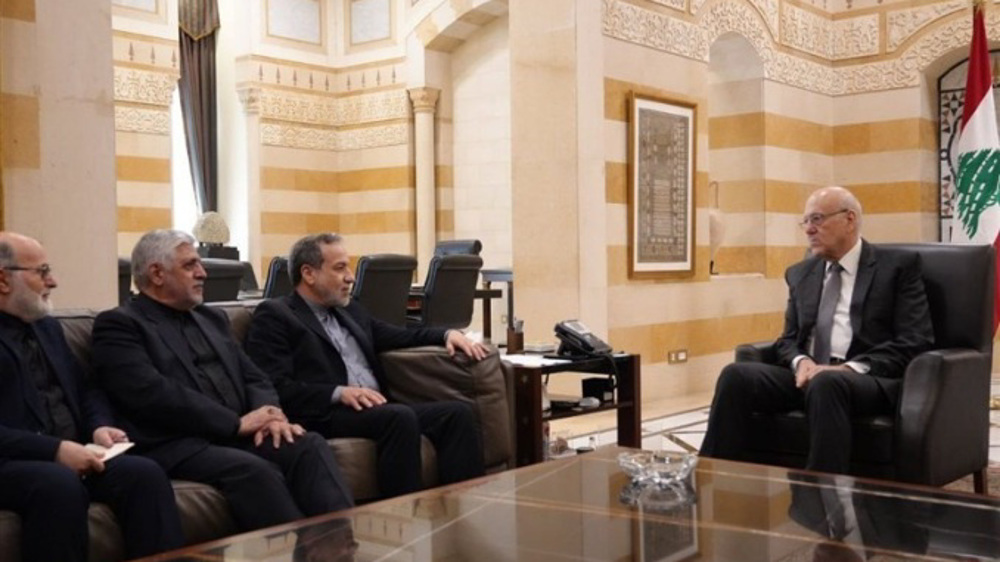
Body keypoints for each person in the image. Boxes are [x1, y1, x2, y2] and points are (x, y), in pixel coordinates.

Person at [91, 229, 353, 533]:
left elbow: (254, 375)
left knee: (308, 445)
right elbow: (152, 394)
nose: (202, 273)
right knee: (254, 470)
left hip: (236, 435)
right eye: (190, 265)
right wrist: (235, 423)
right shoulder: (120, 325)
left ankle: (341, 548)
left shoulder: (211, 319)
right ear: (157, 273)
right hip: (177, 442)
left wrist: (270, 415)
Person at [699, 186, 934, 474]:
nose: (809, 229)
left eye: (817, 219)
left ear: (849, 219)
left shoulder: (897, 267)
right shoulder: (801, 273)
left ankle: (821, 495)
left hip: (865, 379)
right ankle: (710, 478)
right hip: (806, 377)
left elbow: (915, 340)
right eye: (805, 222)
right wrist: (802, 362)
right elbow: (787, 340)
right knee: (735, 375)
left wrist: (847, 369)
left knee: (827, 384)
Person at [245, 233, 488, 498]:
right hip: (325, 412)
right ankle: (403, 514)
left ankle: (467, 506)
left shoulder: (350, 311)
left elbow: (400, 334)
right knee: (398, 417)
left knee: (457, 414)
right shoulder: (275, 315)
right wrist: (339, 392)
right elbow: (277, 386)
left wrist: (446, 334)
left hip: (374, 408)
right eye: (340, 268)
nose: (351, 277)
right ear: (309, 274)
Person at [0, 232, 184, 561]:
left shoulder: (47, 328)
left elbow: (87, 389)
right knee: (57, 485)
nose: (52, 281)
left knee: (144, 474)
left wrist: (99, 426)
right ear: (3, 279)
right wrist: (55, 450)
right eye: (41, 271)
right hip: (14, 462)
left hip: (76, 452)